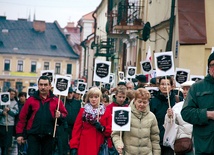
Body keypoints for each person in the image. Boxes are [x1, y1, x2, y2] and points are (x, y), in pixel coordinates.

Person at [16, 75, 68, 155]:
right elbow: (22, 118)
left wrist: (60, 115)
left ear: (50, 86)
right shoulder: (31, 100)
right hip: (33, 135)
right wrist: (20, 134)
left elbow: (65, 114)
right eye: (41, 84)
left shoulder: (56, 100)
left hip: (49, 135)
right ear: (38, 85)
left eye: (45, 85)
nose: (43, 87)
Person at [181, 52, 214, 154]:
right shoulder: (197, 87)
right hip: (205, 145)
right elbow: (186, 113)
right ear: (208, 68)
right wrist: (208, 114)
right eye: (213, 65)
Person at [111, 88, 161, 154]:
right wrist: (118, 144)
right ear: (134, 101)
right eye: (139, 101)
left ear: (148, 102)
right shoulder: (125, 113)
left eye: (144, 102)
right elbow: (116, 134)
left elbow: (155, 139)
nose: (142, 104)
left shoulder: (152, 117)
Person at [69, 87, 112, 155]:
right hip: (84, 145)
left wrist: (102, 128)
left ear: (100, 98)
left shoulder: (106, 112)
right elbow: (76, 130)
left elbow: (110, 129)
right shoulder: (83, 111)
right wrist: (74, 146)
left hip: (99, 144)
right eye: (91, 97)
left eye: (96, 97)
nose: (93, 99)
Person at [165, 80, 195, 155]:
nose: (184, 91)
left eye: (187, 89)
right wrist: (169, 116)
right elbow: (170, 125)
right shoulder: (177, 106)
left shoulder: (201, 106)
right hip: (182, 144)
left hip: (197, 144)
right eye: (184, 89)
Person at [150, 76, 177, 155]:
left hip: (173, 140)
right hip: (158, 139)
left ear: (172, 86)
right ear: (159, 86)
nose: (165, 86)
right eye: (162, 84)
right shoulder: (153, 101)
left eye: (167, 84)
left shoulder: (177, 100)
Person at [0, 88, 19, 155]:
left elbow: (16, 112)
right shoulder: (1, 100)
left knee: (7, 142)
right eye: (11, 94)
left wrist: (9, 110)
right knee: (1, 141)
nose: (12, 95)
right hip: (2, 123)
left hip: (10, 124)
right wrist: (2, 112)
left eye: (14, 94)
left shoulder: (15, 102)